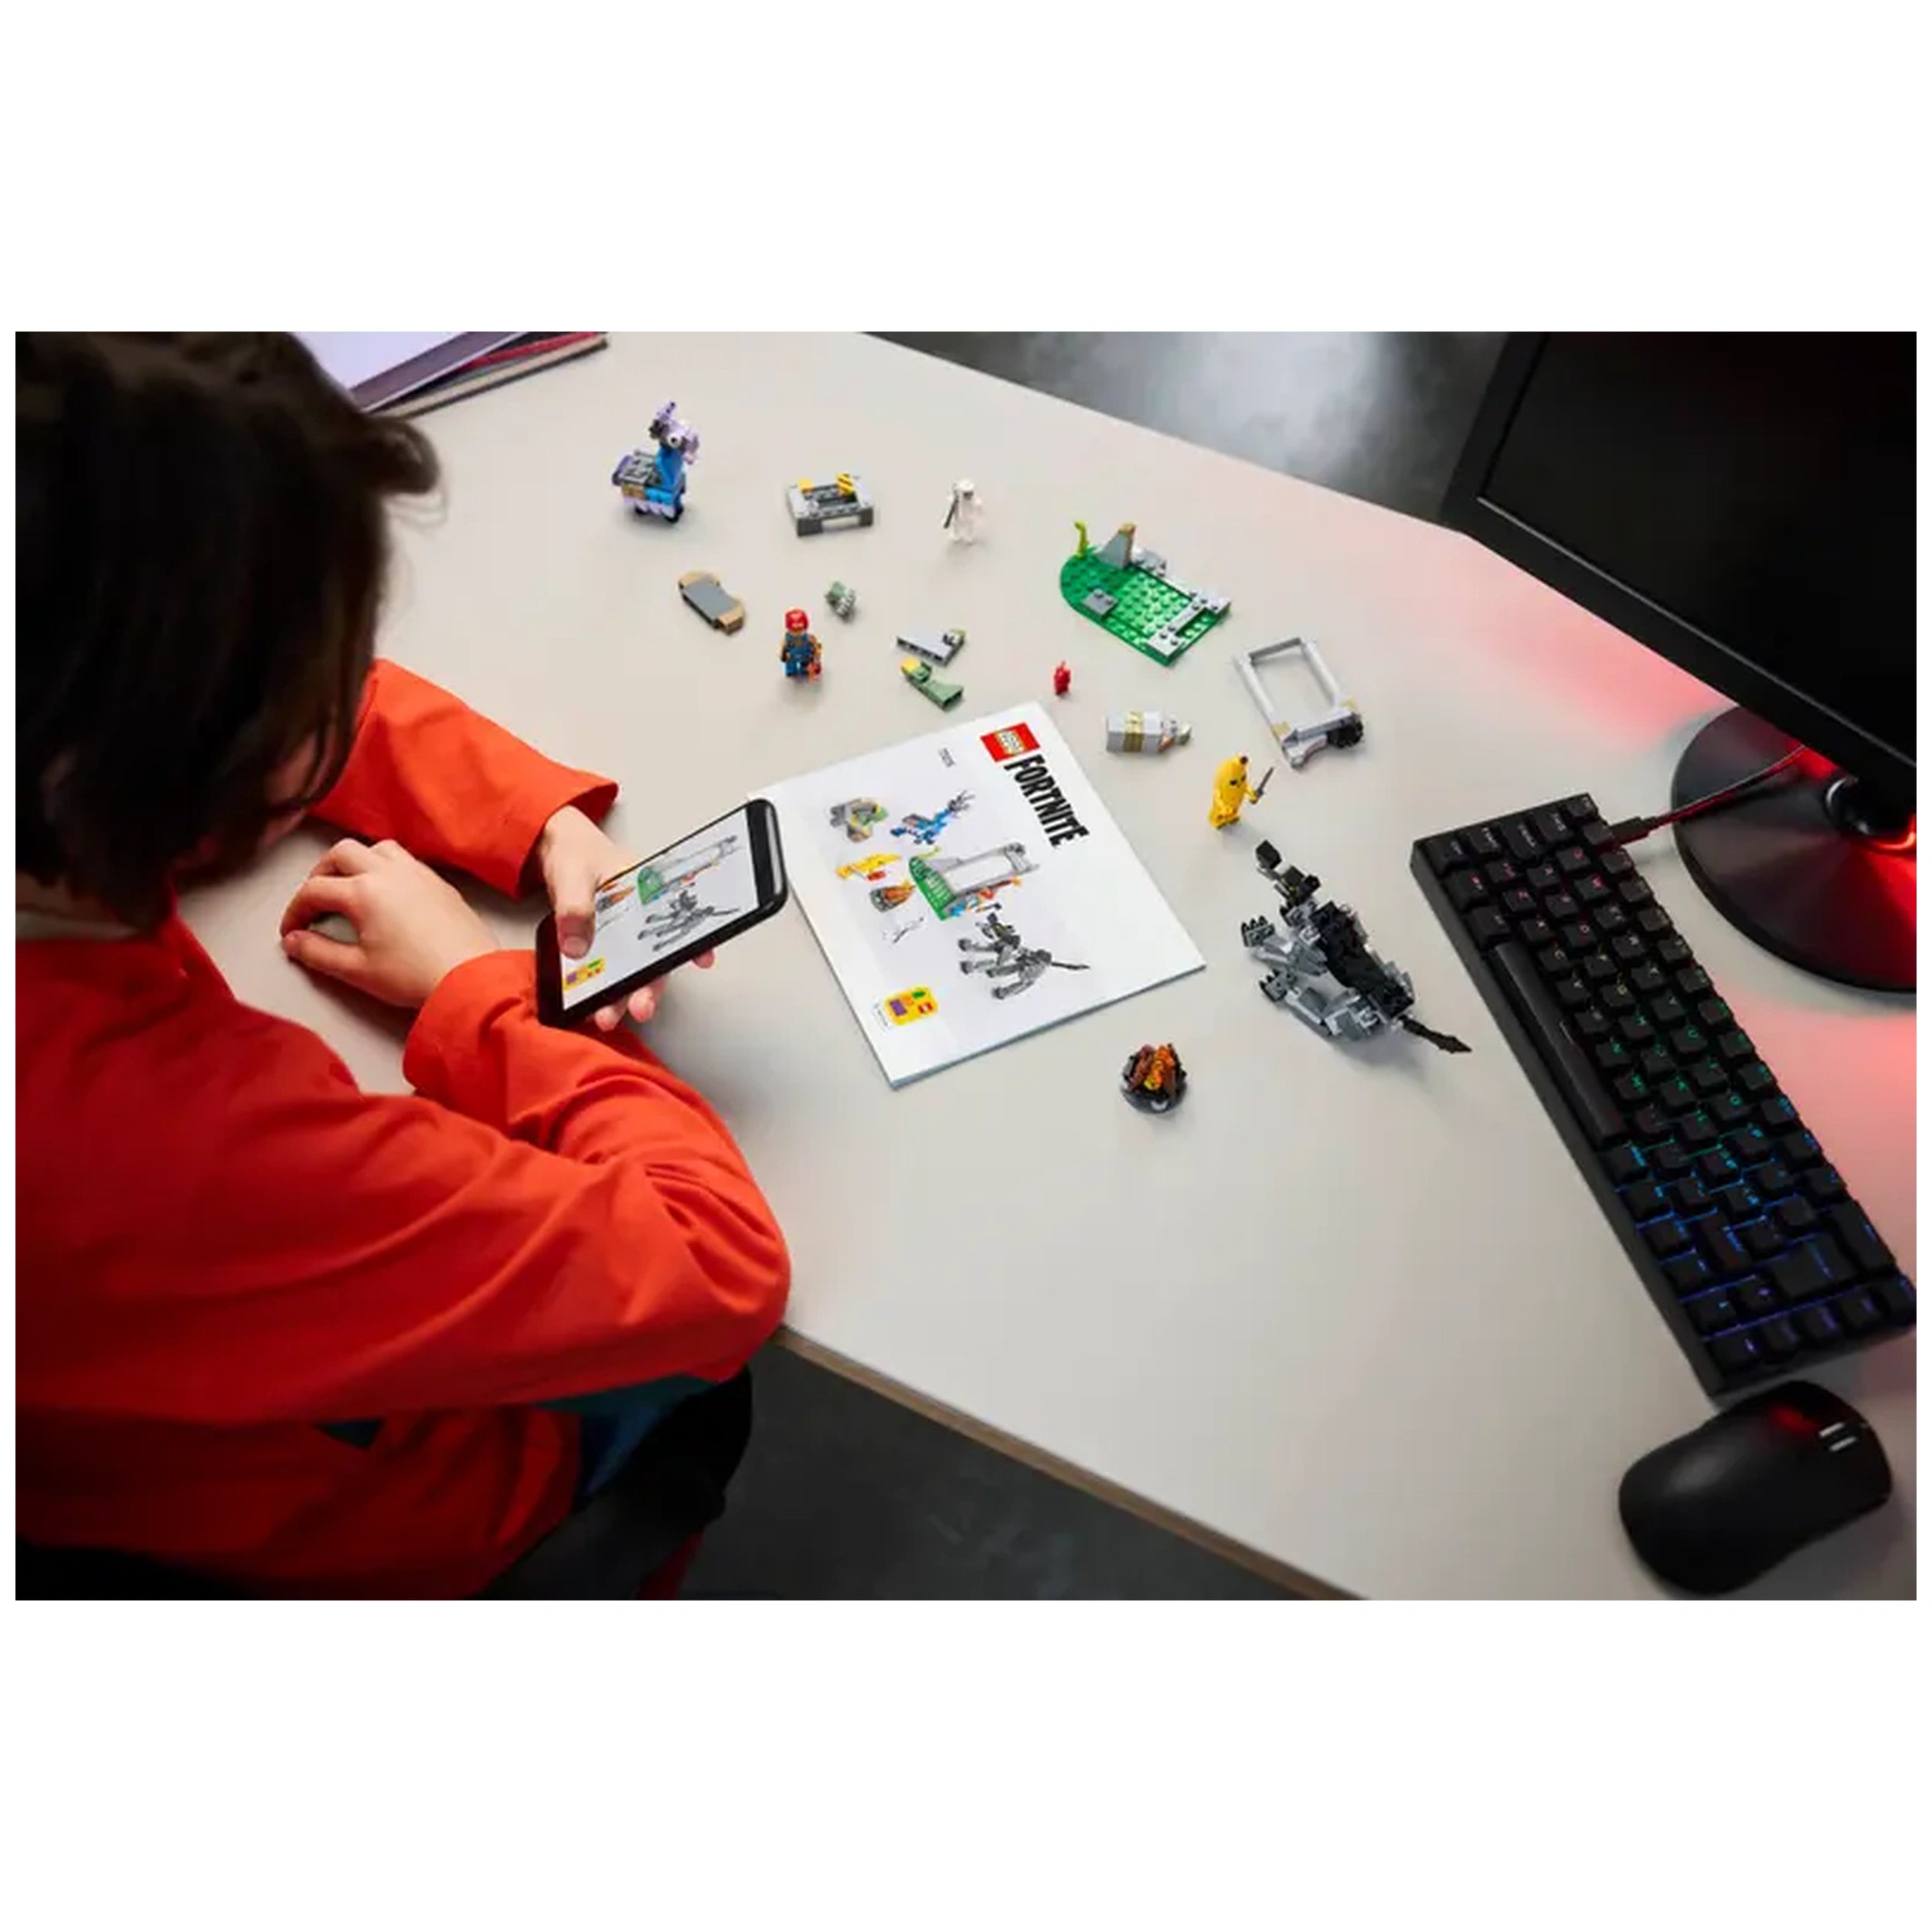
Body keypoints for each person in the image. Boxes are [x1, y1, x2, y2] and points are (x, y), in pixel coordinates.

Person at [15, 333, 790, 1597]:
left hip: (98, 1447)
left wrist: (538, 821)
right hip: (360, 1519)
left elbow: (286, 711)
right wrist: (471, 994)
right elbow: (713, 1264)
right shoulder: (183, 1145)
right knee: (700, 1398)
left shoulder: (54, 746)